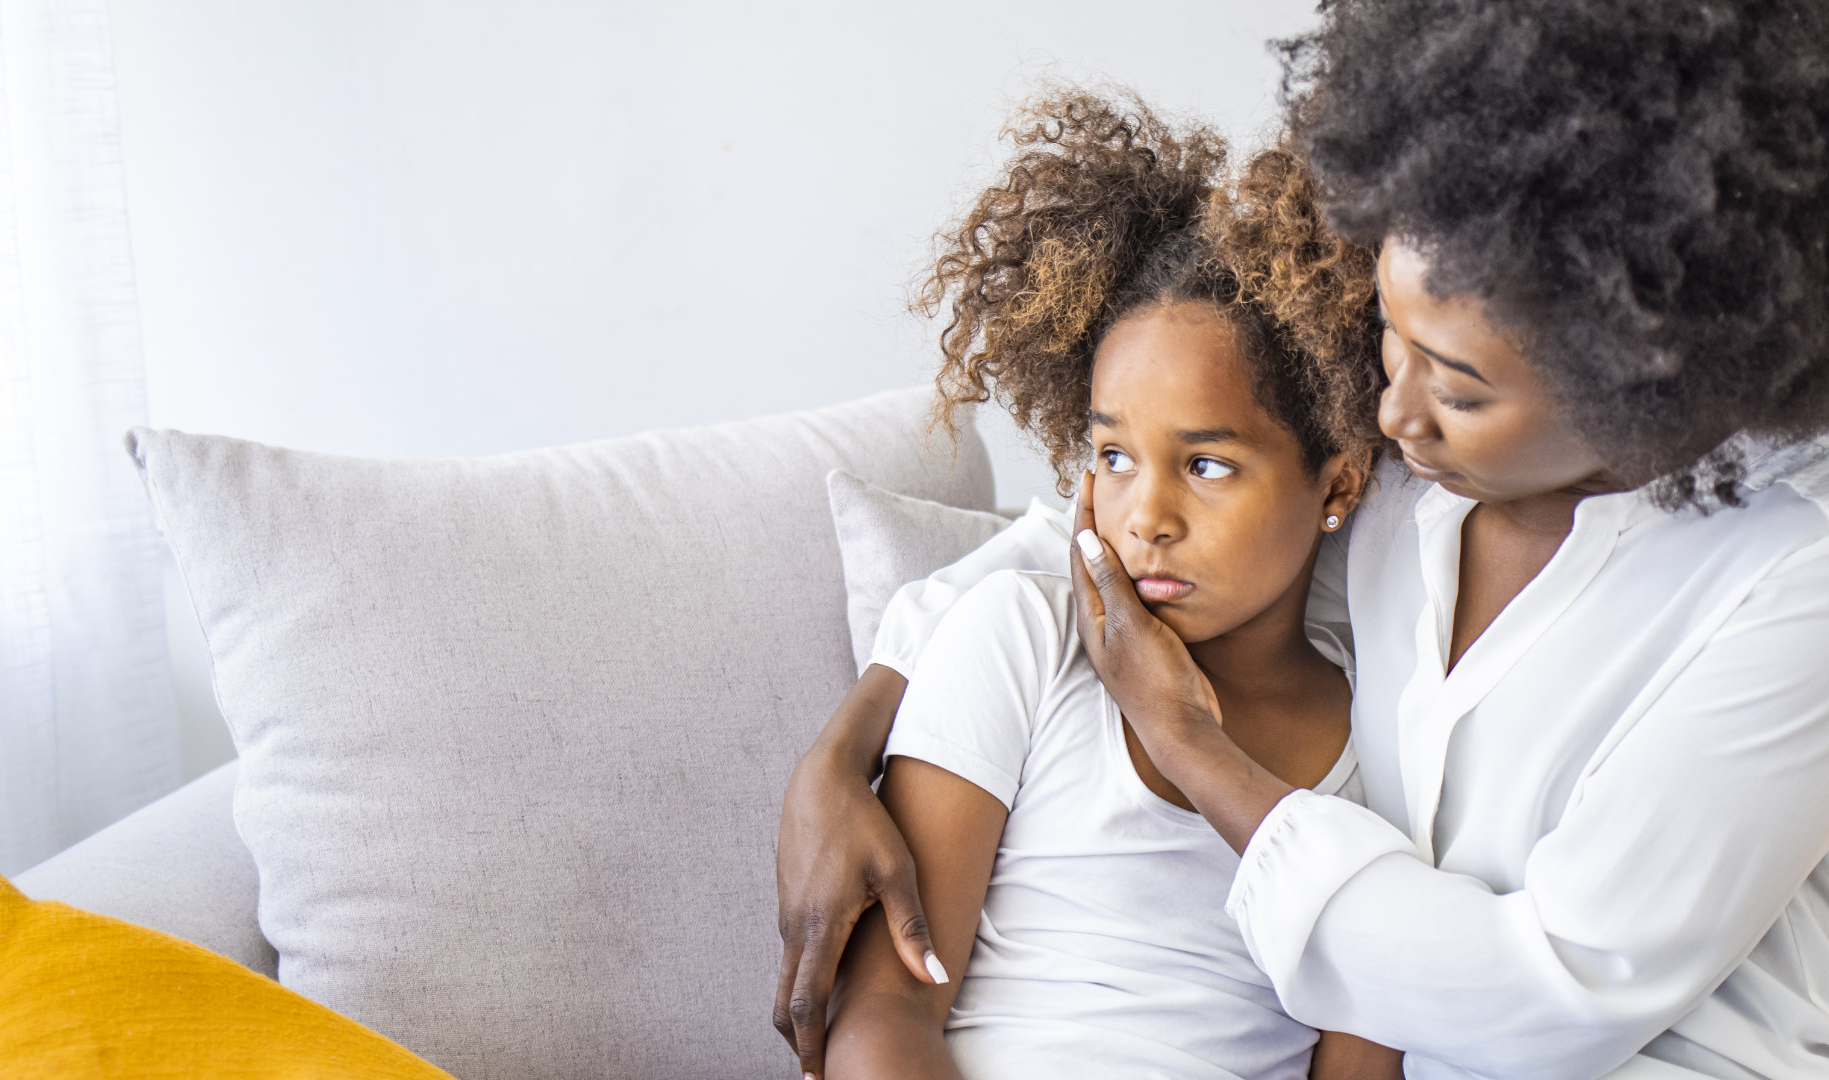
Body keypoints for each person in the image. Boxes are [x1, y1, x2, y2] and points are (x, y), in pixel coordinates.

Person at [776, 2, 1829, 1078]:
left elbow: (1558, 995)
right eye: (1391, 337)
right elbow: (1087, 537)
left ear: (1638, 377)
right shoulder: (1406, 479)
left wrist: (1187, 742)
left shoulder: (1794, 584)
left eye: (1459, 389)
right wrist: (841, 755)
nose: (1393, 412)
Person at [818, 90, 1401, 1080]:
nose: (1146, 517)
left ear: (1338, 485)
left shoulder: (1384, 743)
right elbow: (882, 1011)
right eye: (1115, 457)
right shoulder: (1019, 640)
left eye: (1207, 465)